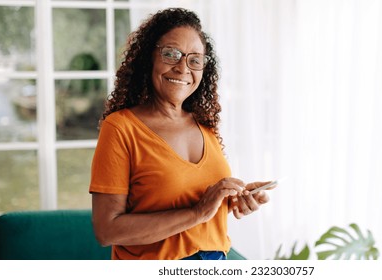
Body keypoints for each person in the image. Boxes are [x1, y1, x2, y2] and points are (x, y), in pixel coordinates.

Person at [89, 7, 275, 260]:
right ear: (148, 58)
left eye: (194, 59)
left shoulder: (204, 124)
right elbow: (107, 230)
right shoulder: (121, 127)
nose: (182, 67)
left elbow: (190, 198)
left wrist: (232, 199)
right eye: (171, 54)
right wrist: (197, 212)